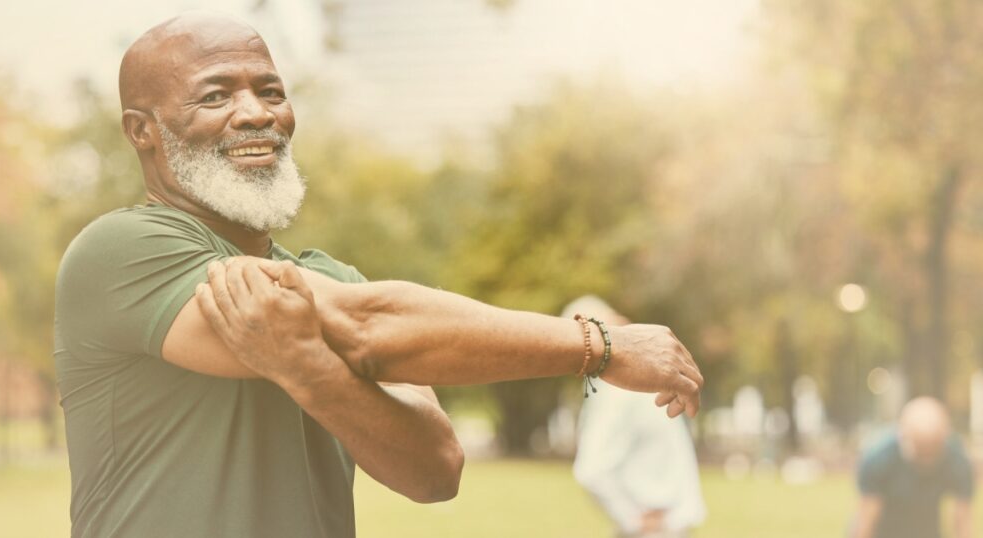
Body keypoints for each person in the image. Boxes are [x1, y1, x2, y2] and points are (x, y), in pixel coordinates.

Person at [54, 12, 704, 538]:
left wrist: (310, 371)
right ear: (143, 131)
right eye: (217, 95)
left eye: (270, 90)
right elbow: (367, 327)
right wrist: (599, 346)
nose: (256, 113)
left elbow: (435, 470)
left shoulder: (332, 276)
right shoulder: (120, 250)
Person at [566, 296, 706, 538]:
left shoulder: (632, 386)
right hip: (656, 529)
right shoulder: (618, 392)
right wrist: (632, 519)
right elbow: (591, 470)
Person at [852, 397, 975, 538]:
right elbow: (866, 520)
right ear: (903, 437)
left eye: (932, 449)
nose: (927, 460)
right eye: (921, 451)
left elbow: (962, 521)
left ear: (944, 437)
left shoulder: (957, 460)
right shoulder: (879, 459)